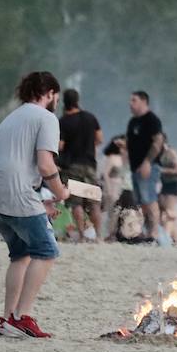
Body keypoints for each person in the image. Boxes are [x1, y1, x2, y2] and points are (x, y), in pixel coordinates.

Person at [0, 71, 68, 339]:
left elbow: (15, 164)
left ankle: (7, 319)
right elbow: (45, 164)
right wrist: (61, 191)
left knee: (21, 254)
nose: (56, 102)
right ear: (50, 93)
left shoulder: (12, 117)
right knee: (47, 250)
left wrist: (41, 205)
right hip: (14, 191)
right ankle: (22, 317)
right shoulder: (47, 117)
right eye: (56, 97)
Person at [57, 89, 103, 244]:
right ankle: (98, 236)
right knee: (93, 202)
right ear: (78, 100)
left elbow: (61, 145)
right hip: (90, 165)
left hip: (72, 166)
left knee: (76, 202)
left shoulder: (63, 121)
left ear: (64, 102)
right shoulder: (90, 117)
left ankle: (83, 235)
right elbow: (99, 138)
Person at [125, 90, 164, 240]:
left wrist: (147, 162)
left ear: (143, 101)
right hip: (135, 167)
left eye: (134, 100)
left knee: (150, 198)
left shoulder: (152, 120)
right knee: (141, 201)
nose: (130, 103)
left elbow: (158, 142)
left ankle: (154, 231)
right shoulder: (132, 121)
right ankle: (144, 232)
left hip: (149, 166)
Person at [157, 135, 177, 245]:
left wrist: (163, 171)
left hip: (173, 185)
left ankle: (168, 238)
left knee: (170, 213)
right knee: (163, 211)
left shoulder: (171, 153)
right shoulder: (159, 153)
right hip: (165, 185)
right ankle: (176, 239)